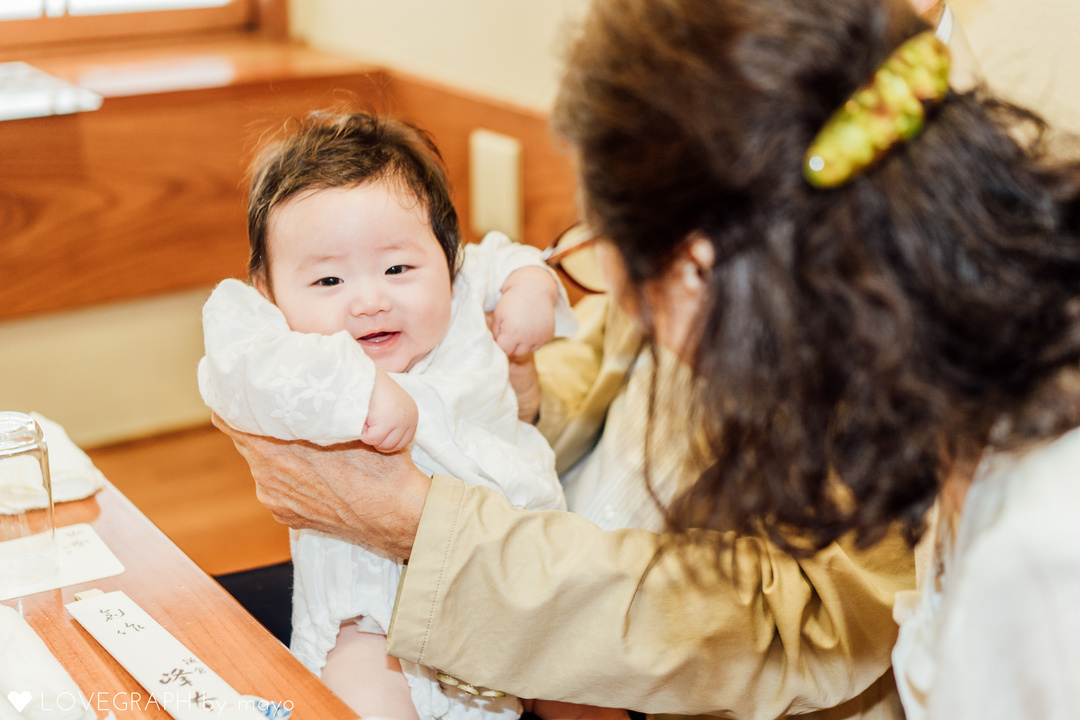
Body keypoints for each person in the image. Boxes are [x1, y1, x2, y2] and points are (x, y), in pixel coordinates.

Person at [211, 0, 1080, 715]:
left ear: (700, 269)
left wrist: (415, 522)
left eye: (609, 259)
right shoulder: (824, 245)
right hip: (538, 561)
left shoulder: (1028, 546)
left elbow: (797, 629)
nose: (612, 298)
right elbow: (598, 358)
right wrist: (505, 395)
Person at [198, 111, 608, 720]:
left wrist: (531, 289)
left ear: (449, 259)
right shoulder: (276, 342)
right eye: (329, 280)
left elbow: (511, 257)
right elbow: (235, 368)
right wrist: (354, 390)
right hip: (370, 609)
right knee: (361, 695)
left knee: (586, 682)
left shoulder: (465, 292)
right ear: (268, 291)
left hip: (522, 579)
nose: (370, 300)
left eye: (397, 269)